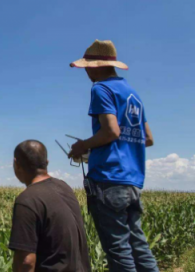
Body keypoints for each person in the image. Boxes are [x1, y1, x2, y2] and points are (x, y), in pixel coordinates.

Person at [68, 40, 158, 272]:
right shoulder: (133, 94)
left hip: (109, 180)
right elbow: (147, 138)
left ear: (97, 66)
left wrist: (82, 146)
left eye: (87, 66)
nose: (86, 70)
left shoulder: (101, 89)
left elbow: (111, 131)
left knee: (119, 251)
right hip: (133, 181)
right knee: (139, 246)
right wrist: (99, 148)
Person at [9, 140, 91, 272]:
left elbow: (26, 262)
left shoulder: (27, 200)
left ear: (16, 164)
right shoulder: (65, 187)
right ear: (46, 163)